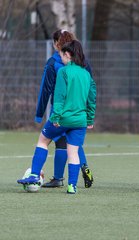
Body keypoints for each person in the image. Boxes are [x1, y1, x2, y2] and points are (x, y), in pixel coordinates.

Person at [18, 40, 97, 194]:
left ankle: (34, 175)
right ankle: (72, 186)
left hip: (63, 118)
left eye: (62, 56)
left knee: (42, 140)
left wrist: (56, 117)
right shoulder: (86, 74)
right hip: (80, 120)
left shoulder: (64, 72)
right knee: (73, 152)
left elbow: (59, 97)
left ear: (68, 54)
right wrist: (90, 119)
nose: (61, 59)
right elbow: (92, 98)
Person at [34, 29, 94, 188]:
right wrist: (89, 115)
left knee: (56, 142)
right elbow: (91, 90)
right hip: (80, 111)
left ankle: (57, 178)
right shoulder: (83, 63)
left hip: (60, 110)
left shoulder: (54, 63)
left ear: (56, 44)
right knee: (74, 145)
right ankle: (83, 167)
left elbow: (45, 89)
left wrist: (40, 114)